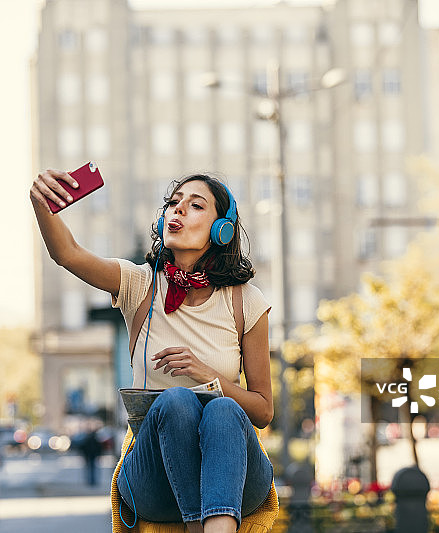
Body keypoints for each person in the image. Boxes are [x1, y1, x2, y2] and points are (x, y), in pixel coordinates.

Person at [30, 170, 278, 533]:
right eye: (173, 203)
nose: (178, 210)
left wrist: (208, 376)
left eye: (195, 205)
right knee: (175, 401)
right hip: (155, 477)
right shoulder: (139, 283)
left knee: (225, 408)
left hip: (233, 477)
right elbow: (67, 254)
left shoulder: (246, 302)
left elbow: (263, 411)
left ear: (221, 228)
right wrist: (42, 206)